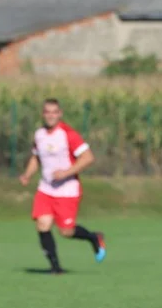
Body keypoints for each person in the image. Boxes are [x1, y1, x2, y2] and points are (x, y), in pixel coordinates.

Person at [19, 98, 106, 274]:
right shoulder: (39, 135)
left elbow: (88, 157)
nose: (50, 115)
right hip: (45, 189)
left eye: (54, 112)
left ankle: (94, 238)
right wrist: (28, 174)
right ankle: (55, 267)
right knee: (42, 224)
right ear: (43, 114)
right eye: (47, 112)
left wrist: (66, 173)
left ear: (60, 114)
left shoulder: (68, 134)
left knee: (66, 231)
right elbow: (36, 157)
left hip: (67, 190)